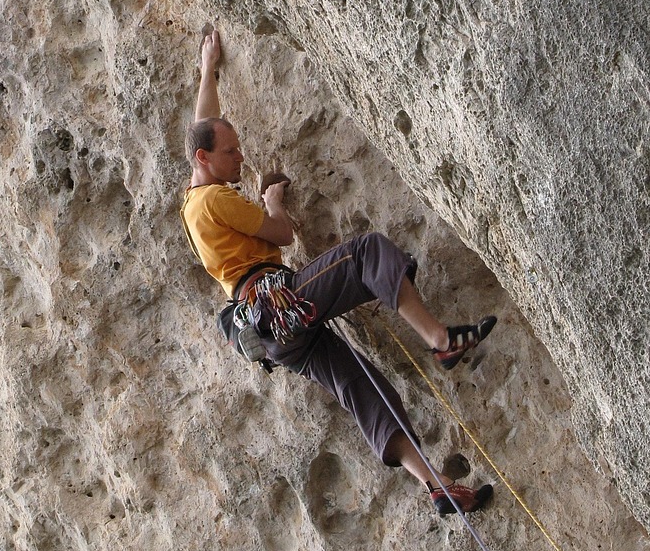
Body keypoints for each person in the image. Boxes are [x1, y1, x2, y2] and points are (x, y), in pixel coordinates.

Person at [180, 26, 497, 517]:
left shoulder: (191, 201)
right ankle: (440, 341)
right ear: (205, 158)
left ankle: (434, 484)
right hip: (276, 302)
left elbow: (205, 122)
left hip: (269, 337)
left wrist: (208, 69)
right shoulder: (218, 197)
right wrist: (273, 200)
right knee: (365, 254)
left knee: (361, 389)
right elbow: (282, 235)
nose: (240, 156)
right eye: (232, 152)